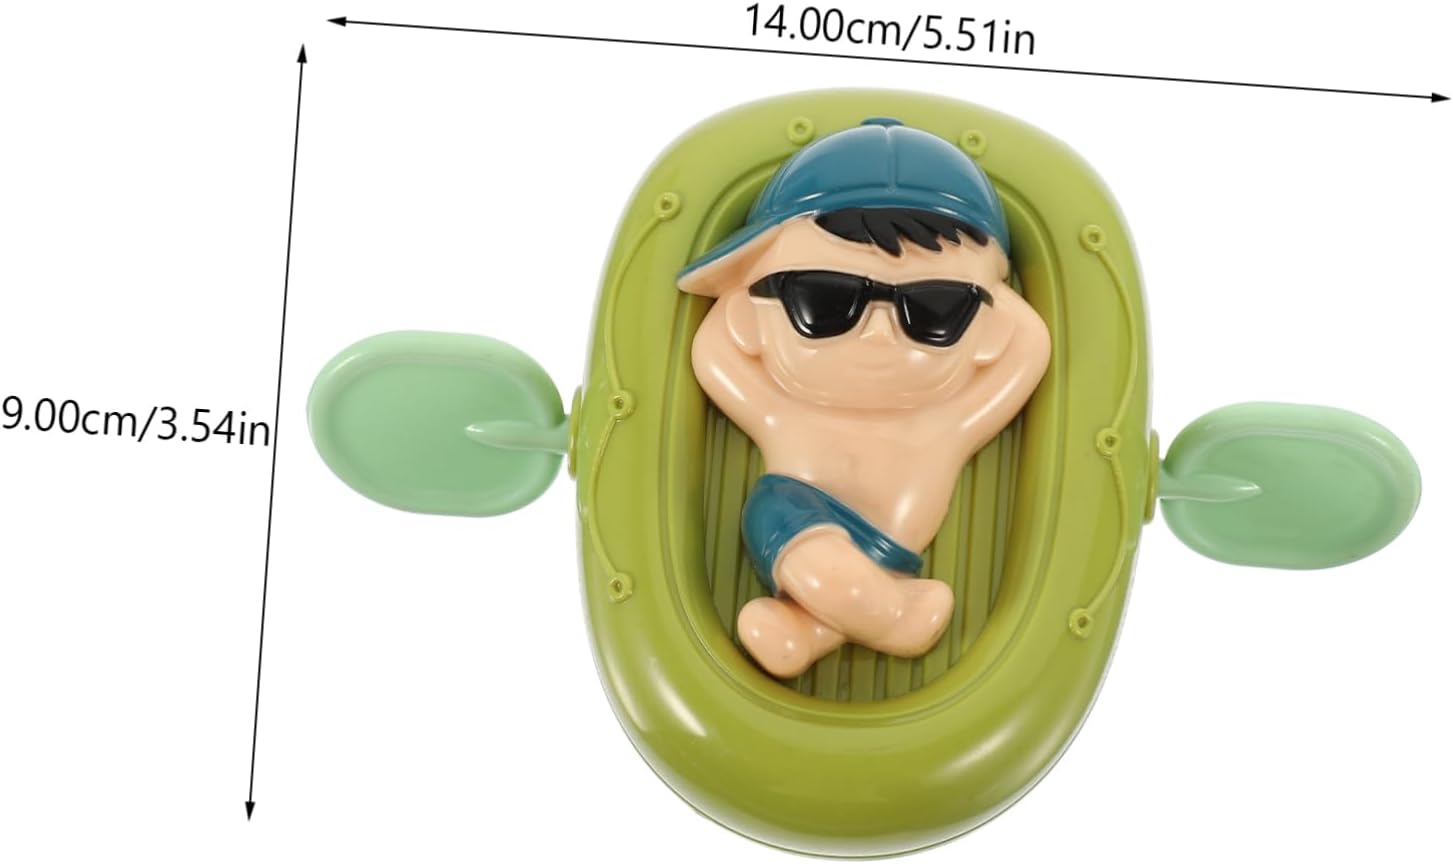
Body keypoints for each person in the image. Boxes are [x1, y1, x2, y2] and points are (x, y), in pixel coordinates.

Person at [678, 118, 1052, 677]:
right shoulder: (783, 409)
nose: (878, 331)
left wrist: (990, 289)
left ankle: (812, 630)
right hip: (796, 507)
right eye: (826, 298)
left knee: (838, 585)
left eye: (935, 308)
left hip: (890, 548)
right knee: (815, 561)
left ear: (989, 332)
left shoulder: (951, 418)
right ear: (749, 320)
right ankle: (895, 618)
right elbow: (712, 352)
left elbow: (1029, 347)